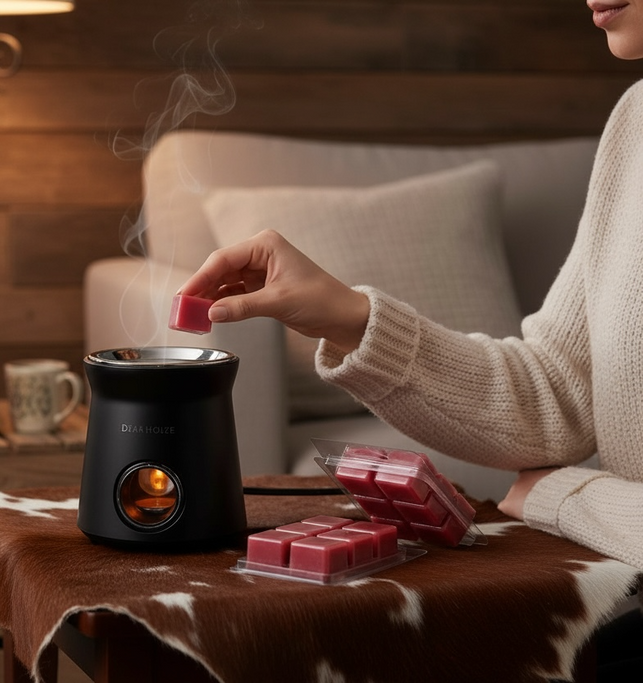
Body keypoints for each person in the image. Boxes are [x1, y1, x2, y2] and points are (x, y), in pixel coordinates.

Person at [178, 2, 643, 677]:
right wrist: (350, 318)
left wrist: (566, 497)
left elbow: (554, 467)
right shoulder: (635, 123)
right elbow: (555, 399)